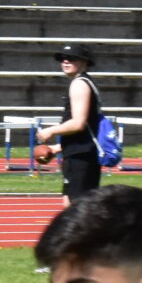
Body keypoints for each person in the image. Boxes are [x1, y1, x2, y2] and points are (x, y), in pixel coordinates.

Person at [31, 43, 104, 199]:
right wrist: (58, 148)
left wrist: (49, 131)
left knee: (77, 208)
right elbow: (87, 127)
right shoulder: (86, 82)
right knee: (75, 205)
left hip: (81, 157)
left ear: (85, 62)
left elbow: (78, 123)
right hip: (81, 153)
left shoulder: (79, 84)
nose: (65, 61)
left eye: (71, 58)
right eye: (63, 58)